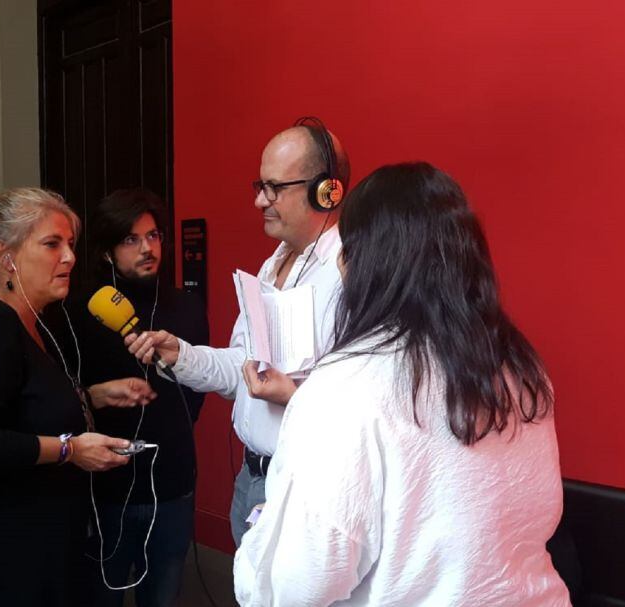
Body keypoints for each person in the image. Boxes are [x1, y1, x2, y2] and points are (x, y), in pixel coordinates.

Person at [233, 163, 570, 606]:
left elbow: (298, 585)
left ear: (363, 261)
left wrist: (259, 545)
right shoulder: (519, 369)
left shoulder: (345, 387)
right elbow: (539, 512)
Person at [125, 117, 351, 546]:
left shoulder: (350, 275)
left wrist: (294, 396)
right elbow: (240, 371)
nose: (260, 201)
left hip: (306, 484)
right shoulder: (273, 263)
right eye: (258, 187)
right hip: (251, 479)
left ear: (327, 191)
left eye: (274, 188)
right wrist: (181, 354)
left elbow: (363, 409)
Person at [0, 187, 157, 607]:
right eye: (52, 244)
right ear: (6, 256)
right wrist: (70, 450)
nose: (70, 257)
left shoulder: (35, 322)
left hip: (46, 553)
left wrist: (91, 396)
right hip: (5, 566)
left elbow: (24, 407)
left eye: (70, 244)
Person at [62, 188, 209, 606]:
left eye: (154, 236)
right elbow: (62, 396)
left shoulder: (187, 307)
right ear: (107, 252)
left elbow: (196, 393)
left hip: (172, 487)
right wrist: (93, 397)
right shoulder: (79, 312)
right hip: (105, 491)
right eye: (131, 239)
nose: (147, 248)